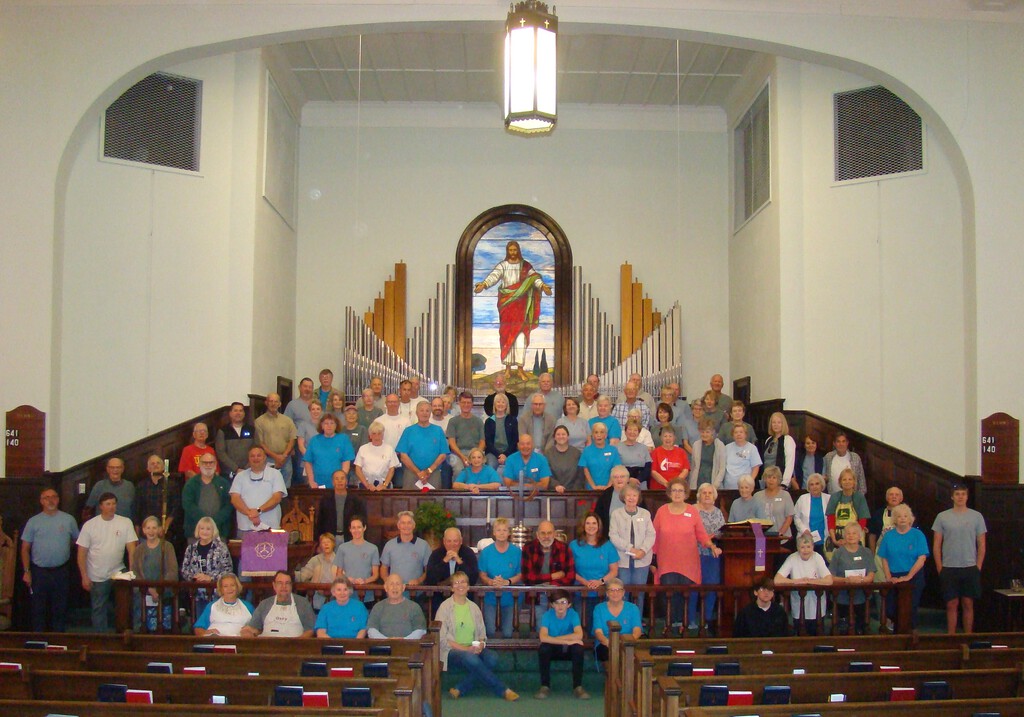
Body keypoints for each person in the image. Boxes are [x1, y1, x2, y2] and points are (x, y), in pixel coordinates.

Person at [473, 240, 550, 381]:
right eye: (510, 250)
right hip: (507, 307)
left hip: (521, 307)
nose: (513, 252)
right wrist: (483, 284)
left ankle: (520, 369)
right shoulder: (503, 265)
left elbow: (534, 279)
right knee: (506, 336)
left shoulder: (525, 266)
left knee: (521, 337)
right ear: (507, 251)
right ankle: (507, 369)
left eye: (515, 250)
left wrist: (543, 286)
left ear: (518, 250)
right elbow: (494, 276)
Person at [437, 571, 519, 701]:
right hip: (451, 651)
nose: (460, 585)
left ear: (468, 586)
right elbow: (442, 639)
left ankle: (459, 688)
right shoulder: (445, 607)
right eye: (456, 583)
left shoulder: (474, 607)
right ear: (452, 587)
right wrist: (466, 649)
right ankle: (503, 689)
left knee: (492, 658)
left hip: (472, 648)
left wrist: (481, 644)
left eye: (463, 582)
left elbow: (482, 634)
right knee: (472, 659)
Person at [652, 479, 721, 630]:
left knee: (686, 595)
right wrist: (653, 560)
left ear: (686, 493)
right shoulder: (662, 511)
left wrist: (711, 546)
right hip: (667, 561)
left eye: (680, 491)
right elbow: (654, 536)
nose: (677, 494)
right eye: (674, 490)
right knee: (668, 594)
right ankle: (669, 624)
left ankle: (684, 624)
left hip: (688, 561)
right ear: (670, 493)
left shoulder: (692, 511)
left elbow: (702, 535)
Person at [76, 493, 138, 631]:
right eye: (108, 504)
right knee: (98, 608)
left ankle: (123, 637)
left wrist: (132, 572)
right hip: (96, 573)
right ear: (101, 506)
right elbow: (81, 553)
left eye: (113, 503)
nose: (111, 507)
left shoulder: (125, 522)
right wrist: (84, 576)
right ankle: (101, 640)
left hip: (119, 572)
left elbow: (132, 549)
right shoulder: (90, 525)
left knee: (123, 607)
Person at [21, 487, 80, 632]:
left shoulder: (68, 519)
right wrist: (27, 571)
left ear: (58, 499)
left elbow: (77, 542)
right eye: (47, 497)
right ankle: (39, 643)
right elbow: (25, 549)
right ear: (41, 501)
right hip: (39, 572)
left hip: (62, 571)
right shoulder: (33, 522)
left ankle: (59, 643)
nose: (51, 500)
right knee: (38, 609)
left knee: (60, 609)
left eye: (54, 497)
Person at [933, 483, 987, 634]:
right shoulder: (942, 517)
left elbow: (981, 544)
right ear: (952, 496)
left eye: (963, 494)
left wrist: (978, 566)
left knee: (968, 603)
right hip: (949, 567)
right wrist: (939, 567)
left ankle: (967, 637)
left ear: (967, 496)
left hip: (970, 567)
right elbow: (936, 545)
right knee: (951, 604)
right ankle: (951, 638)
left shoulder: (976, 516)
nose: (960, 497)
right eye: (957, 494)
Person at [877, 503, 929, 630]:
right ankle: (897, 634)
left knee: (910, 608)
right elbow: (884, 557)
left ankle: (911, 636)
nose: (902, 518)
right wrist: (888, 576)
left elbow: (922, 558)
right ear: (894, 519)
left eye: (905, 516)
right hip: (893, 576)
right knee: (891, 609)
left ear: (910, 518)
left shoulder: (918, 535)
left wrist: (908, 576)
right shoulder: (889, 536)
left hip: (914, 576)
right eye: (899, 516)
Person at [774, 533, 833, 635]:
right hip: (799, 607)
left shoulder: (817, 557)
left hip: (817, 606)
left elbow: (829, 580)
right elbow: (777, 580)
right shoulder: (792, 558)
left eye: (808, 547)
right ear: (797, 548)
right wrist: (797, 581)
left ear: (813, 547)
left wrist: (810, 581)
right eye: (802, 547)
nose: (806, 550)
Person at [609, 481, 654, 612]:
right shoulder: (617, 514)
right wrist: (630, 548)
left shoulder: (645, 514)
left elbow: (651, 534)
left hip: (642, 560)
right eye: (628, 495)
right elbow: (613, 536)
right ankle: (623, 624)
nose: (631, 498)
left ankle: (637, 624)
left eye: (634, 495)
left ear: (638, 497)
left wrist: (643, 550)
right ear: (623, 497)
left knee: (639, 594)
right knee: (622, 593)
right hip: (622, 560)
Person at [536, 588, 588, 700]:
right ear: (552, 605)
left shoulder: (573, 614)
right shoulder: (547, 615)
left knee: (578, 649)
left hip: (568, 649)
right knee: (543, 649)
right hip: (553, 648)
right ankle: (545, 686)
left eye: (563, 602)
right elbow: (543, 637)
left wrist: (555, 639)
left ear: (569, 604)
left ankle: (577, 686)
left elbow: (579, 635)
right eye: (557, 603)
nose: (560, 606)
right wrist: (567, 641)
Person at [569, 512, 618, 628]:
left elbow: (614, 571)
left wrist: (600, 582)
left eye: (594, 523)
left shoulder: (607, 545)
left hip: (602, 592)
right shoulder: (574, 545)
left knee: (599, 626)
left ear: (599, 526)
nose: (591, 526)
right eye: (588, 523)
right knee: (580, 625)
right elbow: (569, 570)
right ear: (583, 526)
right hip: (580, 591)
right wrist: (585, 582)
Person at [689, 482, 726, 634]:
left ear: (714, 496)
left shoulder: (718, 512)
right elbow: (687, 529)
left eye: (710, 493)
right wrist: (704, 537)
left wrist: (710, 537)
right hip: (694, 553)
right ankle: (690, 619)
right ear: (699, 495)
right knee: (693, 588)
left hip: (712, 555)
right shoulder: (692, 510)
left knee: (711, 587)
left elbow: (722, 531)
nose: (707, 495)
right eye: (704, 492)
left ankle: (706, 619)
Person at [131, 515, 178, 631]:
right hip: (143, 595)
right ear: (143, 530)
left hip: (163, 594)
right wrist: (149, 589)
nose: (151, 531)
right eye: (148, 528)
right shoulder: (139, 550)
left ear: (159, 529)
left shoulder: (167, 547)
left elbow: (172, 571)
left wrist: (158, 589)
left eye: (154, 528)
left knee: (163, 629)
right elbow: (135, 572)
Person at [180, 516, 233, 617]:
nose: (205, 531)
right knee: (200, 623)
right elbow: (184, 570)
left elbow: (228, 570)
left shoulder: (221, 547)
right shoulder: (191, 549)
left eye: (208, 529)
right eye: (202, 528)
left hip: (216, 593)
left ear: (213, 531)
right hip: (196, 594)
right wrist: (195, 577)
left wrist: (210, 578)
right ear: (198, 530)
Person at [522, 520, 575, 621]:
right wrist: (552, 576)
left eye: (549, 533)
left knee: (560, 629)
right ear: (537, 534)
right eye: (543, 533)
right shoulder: (529, 548)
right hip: (537, 596)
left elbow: (570, 577)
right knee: (541, 629)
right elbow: (527, 578)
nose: (546, 536)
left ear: (554, 534)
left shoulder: (564, 548)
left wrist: (547, 582)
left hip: (559, 596)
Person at [478, 518, 523, 638]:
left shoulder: (516, 551)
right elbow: (482, 573)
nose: (502, 533)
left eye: (505, 530)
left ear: (509, 533)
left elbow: (520, 574)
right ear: (494, 532)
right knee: (490, 631)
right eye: (498, 530)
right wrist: (490, 581)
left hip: (511, 597)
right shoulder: (486, 552)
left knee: (508, 633)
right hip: (490, 596)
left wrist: (507, 582)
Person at [828, 522, 875, 635]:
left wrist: (861, 580)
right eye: (848, 533)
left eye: (854, 533)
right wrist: (846, 580)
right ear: (844, 536)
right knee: (842, 630)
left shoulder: (867, 552)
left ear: (860, 536)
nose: (851, 536)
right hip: (841, 598)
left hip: (862, 597)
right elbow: (831, 577)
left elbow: (871, 575)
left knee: (861, 628)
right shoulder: (838, 553)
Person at [229, 446, 287, 533]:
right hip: (245, 527)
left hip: (270, 526)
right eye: (252, 456)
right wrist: (250, 513)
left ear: (265, 458)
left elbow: (276, 498)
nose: (255, 458)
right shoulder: (240, 476)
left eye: (259, 455)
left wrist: (258, 511)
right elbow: (235, 498)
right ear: (248, 459)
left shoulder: (275, 474)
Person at [241, 571, 316, 638]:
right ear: (274, 585)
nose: (284, 586)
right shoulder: (264, 604)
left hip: (294, 649)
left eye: (287, 583)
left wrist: (296, 644)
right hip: (267, 649)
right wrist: (247, 632)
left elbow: (310, 630)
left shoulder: (303, 603)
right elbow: (253, 627)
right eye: (280, 583)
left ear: (291, 586)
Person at [396, 401, 449, 489]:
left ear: (430, 413)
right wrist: (418, 473)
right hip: (411, 474)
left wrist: (429, 471)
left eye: (427, 411)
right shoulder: (408, 431)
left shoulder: (438, 430)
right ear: (416, 413)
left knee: (433, 502)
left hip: (433, 473)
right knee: (409, 501)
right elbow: (403, 456)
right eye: (422, 410)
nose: (424, 413)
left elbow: (443, 454)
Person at [181, 451, 234, 540]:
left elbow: (229, 505)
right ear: (199, 464)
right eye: (205, 463)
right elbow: (188, 504)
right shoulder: (191, 484)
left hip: (219, 531)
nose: (208, 465)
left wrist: (214, 521)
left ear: (216, 464)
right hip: (195, 532)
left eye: (211, 462)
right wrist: (205, 522)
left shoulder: (224, 483)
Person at [426, 527, 479, 613]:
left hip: (464, 599)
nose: (452, 544)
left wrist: (459, 561)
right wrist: (444, 561)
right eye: (449, 541)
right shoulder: (436, 554)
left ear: (461, 541)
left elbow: (473, 578)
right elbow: (430, 578)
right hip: (440, 600)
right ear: (444, 541)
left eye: (455, 541)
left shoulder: (468, 553)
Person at [135, 454, 181, 547]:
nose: (155, 465)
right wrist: (137, 533)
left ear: (164, 467)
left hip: (167, 533)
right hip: (146, 534)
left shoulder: (172, 485)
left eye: (158, 463)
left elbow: (176, 507)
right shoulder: (141, 486)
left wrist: (165, 525)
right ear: (148, 468)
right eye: (152, 463)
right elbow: (136, 510)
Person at [592, 577, 642, 661]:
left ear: (623, 593)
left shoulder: (633, 608)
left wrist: (625, 644)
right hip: (606, 644)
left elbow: (637, 631)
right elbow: (598, 632)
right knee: (611, 653)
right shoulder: (599, 608)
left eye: (618, 590)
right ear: (607, 593)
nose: (615, 593)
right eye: (611, 590)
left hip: (627, 644)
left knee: (629, 653)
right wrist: (612, 644)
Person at [334, 515, 380, 604]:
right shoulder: (342, 548)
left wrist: (364, 581)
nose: (356, 530)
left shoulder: (373, 548)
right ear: (350, 529)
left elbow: (376, 575)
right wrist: (348, 579)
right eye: (353, 528)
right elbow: (338, 574)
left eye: (359, 527)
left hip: (367, 594)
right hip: (347, 594)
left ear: (364, 528)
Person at [825, 467, 869, 559]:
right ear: (840, 482)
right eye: (844, 479)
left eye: (850, 479)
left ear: (854, 482)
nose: (847, 482)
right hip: (838, 536)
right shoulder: (834, 497)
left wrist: (852, 538)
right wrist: (834, 540)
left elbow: (862, 521)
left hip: (856, 535)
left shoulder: (859, 497)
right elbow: (830, 520)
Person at [254, 393, 297, 486]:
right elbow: (261, 443)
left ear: (280, 404)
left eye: (276, 401)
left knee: (286, 486)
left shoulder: (288, 420)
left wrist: (284, 456)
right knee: (269, 486)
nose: (273, 404)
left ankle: (284, 501)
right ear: (266, 403)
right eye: (271, 401)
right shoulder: (259, 421)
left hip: (286, 459)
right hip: (268, 459)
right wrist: (276, 457)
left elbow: (292, 439)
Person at [303, 412, 355, 489]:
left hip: (337, 485)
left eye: (332, 423)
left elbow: (346, 462)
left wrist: (341, 481)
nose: (329, 426)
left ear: (336, 425)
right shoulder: (314, 440)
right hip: (318, 484)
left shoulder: (343, 439)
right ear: (322, 426)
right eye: (326, 423)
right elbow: (308, 462)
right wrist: (311, 481)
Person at [193, 572, 254, 636]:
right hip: (214, 641)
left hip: (238, 642)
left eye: (232, 585)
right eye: (225, 586)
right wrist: (205, 632)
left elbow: (257, 628)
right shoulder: (212, 606)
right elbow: (198, 628)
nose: (229, 589)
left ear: (237, 587)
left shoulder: (248, 606)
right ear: (221, 589)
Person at [379, 510, 430, 588]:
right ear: (398, 526)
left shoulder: (424, 545)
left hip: (416, 592)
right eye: (403, 523)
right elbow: (383, 568)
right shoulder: (389, 545)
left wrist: (418, 581)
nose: (406, 526)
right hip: (394, 591)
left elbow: (428, 570)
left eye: (409, 523)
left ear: (414, 525)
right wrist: (387, 581)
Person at [367, 574, 427, 639]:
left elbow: (421, 631)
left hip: (409, 647)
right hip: (383, 647)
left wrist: (403, 640)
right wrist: (387, 640)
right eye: (391, 584)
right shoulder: (378, 607)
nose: (394, 587)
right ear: (386, 587)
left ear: (403, 587)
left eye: (398, 584)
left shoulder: (414, 607)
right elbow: (371, 630)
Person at [296, 532, 340, 609]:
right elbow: (303, 575)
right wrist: (292, 575)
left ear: (333, 544)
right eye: (323, 542)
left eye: (328, 542)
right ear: (320, 545)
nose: (326, 544)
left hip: (335, 597)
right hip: (316, 597)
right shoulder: (315, 560)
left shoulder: (340, 560)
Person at [447, 391, 485, 480]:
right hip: (457, 453)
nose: (466, 405)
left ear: (472, 404)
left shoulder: (478, 421)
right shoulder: (453, 421)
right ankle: (458, 492)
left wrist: (476, 456)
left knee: (481, 469)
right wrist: (462, 457)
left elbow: (482, 441)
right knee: (459, 469)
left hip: (475, 452)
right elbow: (452, 443)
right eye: (463, 402)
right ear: (459, 403)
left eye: (469, 403)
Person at [354, 421, 400, 490]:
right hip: (365, 484)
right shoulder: (363, 448)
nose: (377, 436)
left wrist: (384, 485)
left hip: (384, 483)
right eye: (374, 434)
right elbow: (358, 469)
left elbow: (392, 470)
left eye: (379, 434)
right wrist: (367, 485)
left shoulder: (389, 449)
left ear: (383, 435)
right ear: (370, 435)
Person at [215, 401, 255, 478]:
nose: (238, 413)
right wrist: (236, 469)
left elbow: (256, 448)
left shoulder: (252, 430)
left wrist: (246, 468)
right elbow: (221, 453)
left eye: (240, 411)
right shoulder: (223, 431)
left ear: (244, 413)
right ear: (230, 413)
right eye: (235, 410)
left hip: (249, 471)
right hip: (229, 473)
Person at [753, 466, 795, 538]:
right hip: (761, 538)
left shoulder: (785, 495)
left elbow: (789, 517)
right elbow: (753, 518)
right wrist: (759, 535)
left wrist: (780, 533)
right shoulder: (757, 496)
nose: (771, 480)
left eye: (774, 478)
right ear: (765, 479)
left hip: (782, 538)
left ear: (778, 480)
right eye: (769, 477)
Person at [793, 473, 830, 554]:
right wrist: (804, 530)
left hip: (824, 540)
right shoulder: (802, 499)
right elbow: (796, 517)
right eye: (811, 484)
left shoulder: (829, 499)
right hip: (805, 540)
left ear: (822, 485)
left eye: (817, 483)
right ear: (808, 487)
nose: (815, 486)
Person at [579, 422, 622, 489]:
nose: (599, 435)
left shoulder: (613, 450)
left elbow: (615, 469)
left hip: (609, 489)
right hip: (590, 489)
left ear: (606, 435)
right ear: (592, 435)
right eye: (596, 432)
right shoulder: (587, 450)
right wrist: (593, 486)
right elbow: (585, 470)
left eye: (602, 432)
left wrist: (608, 486)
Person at [594, 465, 631, 539]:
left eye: (622, 476)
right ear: (612, 480)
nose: (619, 479)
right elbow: (598, 516)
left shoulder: (634, 493)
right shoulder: (605, 495)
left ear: (628, 479)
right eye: (615, 477)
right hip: (609, 536)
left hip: (631, 536)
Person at [484, 393, 518, 471]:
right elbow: (488, 442)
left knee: (514, 467)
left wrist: (505, 454)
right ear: (494, 404)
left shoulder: (512, 420)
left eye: (503, 402)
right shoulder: (489, 421)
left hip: (510, 452)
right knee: (490, 466)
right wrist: (498, 455)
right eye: (498, 402)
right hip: (493, 453)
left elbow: (515, 440)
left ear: (506, 405)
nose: (500, 404)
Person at [762, 412, 797, 488]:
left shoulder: (788, 440)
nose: (776, 425)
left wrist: (784, 483)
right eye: (773, 422)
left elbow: (790, 463)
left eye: (779, 422)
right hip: (767, 481)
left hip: (780, 482)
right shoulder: (768, 440)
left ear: (783, 424)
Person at [868, 485, 908, 551]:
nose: (894, 497)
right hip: (880, 553)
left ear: (901, 499)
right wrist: (872, 553)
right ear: (887, 498)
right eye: (891, 494)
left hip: (901, 553)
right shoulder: (878, 514)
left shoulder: (907, 515)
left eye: (897, 495)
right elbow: (872, 535)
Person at [545, 425, 584, 492]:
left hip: (574, 493)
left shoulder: (577, 453)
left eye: (563, 434)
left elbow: (580, 475)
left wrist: (574, 490)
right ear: (554, 437)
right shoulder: (548, 454)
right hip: (553, 492)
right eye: (558, 434)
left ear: (568, 436)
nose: (561, 437)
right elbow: (546, 474)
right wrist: (556, 485)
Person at [689, 418, 725, 489]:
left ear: (713, 432)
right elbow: (693, 466)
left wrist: (715, 485)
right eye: (702, 432)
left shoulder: (720, 445)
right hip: (697, 482)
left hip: (713, 483)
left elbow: (722, 469)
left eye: (707, 432)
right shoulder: (696, 445)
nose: (704, 434)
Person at [722, 423, 761, 490]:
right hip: (728, 486)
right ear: (732, 435)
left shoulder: (752, 448)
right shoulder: (727, 448)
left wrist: (750, 481)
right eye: (736, 432)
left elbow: (755, 467)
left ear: (745, 434)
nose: (738, 434)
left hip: (745, 487)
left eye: (741, 432)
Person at [650, 425, 689, 490]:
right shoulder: (655, 452)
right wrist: (667, 484)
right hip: (659, 489)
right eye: (665, 436)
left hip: (677, 488)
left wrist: (675, 483)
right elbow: (653, 472)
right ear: (661, 438)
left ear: (674, 438)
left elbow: (685, 470)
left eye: (670, 436)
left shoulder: (681, 452)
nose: (668, 438)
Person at [617, 420, 652, 484]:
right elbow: (616, 467)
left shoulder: (644, 448)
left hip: (641, 482)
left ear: (639, 433)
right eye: (630, 429)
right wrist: (628, 479)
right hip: (623, 482)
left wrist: (638, 480)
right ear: (625, 431)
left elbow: (648, 468)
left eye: (635, 430)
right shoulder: (617, 448)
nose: (632, 432)